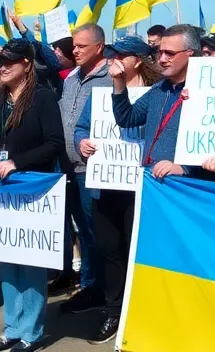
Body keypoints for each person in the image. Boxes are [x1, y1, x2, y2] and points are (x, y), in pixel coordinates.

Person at [0, 39, 68, 352]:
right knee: (7, 258)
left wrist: (17, 162)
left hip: (33, 187)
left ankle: (32, 330)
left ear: (27, 64)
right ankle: (12, 326)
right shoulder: (0, 97)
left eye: (9, 62)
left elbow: (54, 143)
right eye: (0, 61)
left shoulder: (43, 98)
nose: (2, 67)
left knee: (30, 261)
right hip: (2, 189)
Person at [74, 36, 162, 345]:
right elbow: (82, 128)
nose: (115, 60)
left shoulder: (156, 94)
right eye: (112, 55)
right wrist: (81, 143)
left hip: (140, 188)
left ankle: (140, 309)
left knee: (137, 251)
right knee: (109, 250)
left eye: (121, 56)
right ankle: (113, 310)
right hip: (105, 185)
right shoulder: (100, 94)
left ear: (137, 60)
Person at [55, 24, 111, 311]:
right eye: (74, 46)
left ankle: (98, 288)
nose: (74, 51)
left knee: (95, 231)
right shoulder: (72, 78)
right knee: (83, 230)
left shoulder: (111, 77)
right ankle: (89, 284)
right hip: (70, 168)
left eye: (81, 46)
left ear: (99, 47)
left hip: (95, 169)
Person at [111, 24, 200, 183]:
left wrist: (185, 168)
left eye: (170, 54)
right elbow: (127, 118)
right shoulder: (158, 89)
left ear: (190, 54)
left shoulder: (206, 92)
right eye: (160, 52)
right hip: (154, 184)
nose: (162, 59)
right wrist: (118, 81)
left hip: (187, 188)